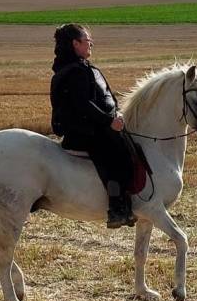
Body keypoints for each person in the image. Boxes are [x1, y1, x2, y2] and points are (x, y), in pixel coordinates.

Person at [50, 23, 136, 227]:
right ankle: (117, 208)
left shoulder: (80, 68)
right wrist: (109, 121)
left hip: (93, 127)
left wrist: (116, 114)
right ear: (75, 43)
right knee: (117, 154)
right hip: (84, 132)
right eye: (88, 41)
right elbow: (83, 105)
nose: (91, 45)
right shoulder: (75, 72)